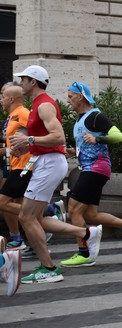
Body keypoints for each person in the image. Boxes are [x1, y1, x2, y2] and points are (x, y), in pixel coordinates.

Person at [11, 65, 102, 284]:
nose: (20, 83)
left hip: (49, 164)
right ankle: (86, 234)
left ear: (33, 82)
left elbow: (58, 138)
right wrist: (25, 147)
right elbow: (43, 139)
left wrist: (29, 140)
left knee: (26, 216)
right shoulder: (37, 105)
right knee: (37, 218)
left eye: (23, 79)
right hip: (45, 161)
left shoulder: (44, 105)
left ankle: (49, 268)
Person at [61, 82, 122, 267]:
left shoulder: (95, 116)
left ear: (80, 97)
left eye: (71, 96)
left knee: (73, 208)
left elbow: (118, 136)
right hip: (91, 168)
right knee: (91, 215)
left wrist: (97, 137)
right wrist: (74, 152)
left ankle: (83, 253)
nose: (68, 100)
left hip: (96, 169)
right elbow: (87, 145)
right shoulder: (80, 119)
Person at [0, 84, 32, 251]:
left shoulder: (23, 113)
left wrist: (27, 146)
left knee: (3, 202)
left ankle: (49, 211)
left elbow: (40, 133)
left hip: (24, 167)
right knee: (19, 205)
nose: (1, 100)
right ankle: (26, 241)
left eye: (3, 96)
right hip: (15, 166)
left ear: (11, 99)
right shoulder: (12, 115)